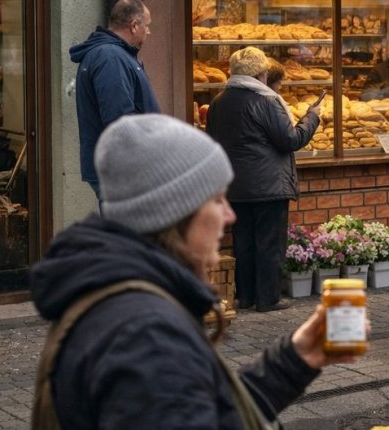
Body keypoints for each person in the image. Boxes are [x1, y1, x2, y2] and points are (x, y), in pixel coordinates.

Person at [29, 114, 359, 428]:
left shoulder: (121, 302)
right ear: (176, 212)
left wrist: (297, 359)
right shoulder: (146, 335)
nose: (229, 215)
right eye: (216, 200)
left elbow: (205, 411)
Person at [206, 48, 321, 312]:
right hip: (268, 184)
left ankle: (245, 297)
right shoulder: (267, 101)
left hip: (235, 184)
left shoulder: (218, 101)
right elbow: (291, 140)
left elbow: (212, 141)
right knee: (270, 243)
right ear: (262, 73)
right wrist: (312, 117)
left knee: (243, 242)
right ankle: (268, 299)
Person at [69, 0, 160, 199]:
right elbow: (119, 120)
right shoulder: (111, 58)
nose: (149, 31)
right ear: (134, 25)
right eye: (147, 26)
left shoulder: (114, 55)